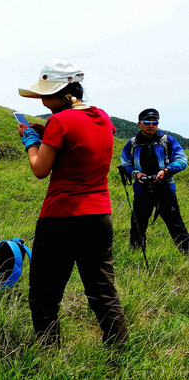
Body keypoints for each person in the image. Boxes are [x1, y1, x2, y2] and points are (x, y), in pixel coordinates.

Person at [17, 59, 127, 348]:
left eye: (46, 94)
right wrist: (49, 136)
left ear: (63, 92)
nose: (42, 99)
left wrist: (31, 141)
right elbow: (81, 147)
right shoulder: (102, 117)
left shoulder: (59, 121)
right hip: (99, 215)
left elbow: (40, 169)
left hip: (61, 217)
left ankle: (48, 350)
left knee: (45, 291)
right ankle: (120, 349)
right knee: (102, 289)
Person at [120, 109, 189, 253]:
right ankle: (136, 255)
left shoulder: (168, 140)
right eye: (147, 122)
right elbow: (125, 163)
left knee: (176, 226)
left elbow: (182, 161)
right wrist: (135, 173)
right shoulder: (133, 143)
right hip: (141, 189)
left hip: (165, 189)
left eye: (154, 122)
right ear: (139, 124)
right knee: (138, 227)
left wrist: (166, 170)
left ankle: (186, 254)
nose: (151, 125)